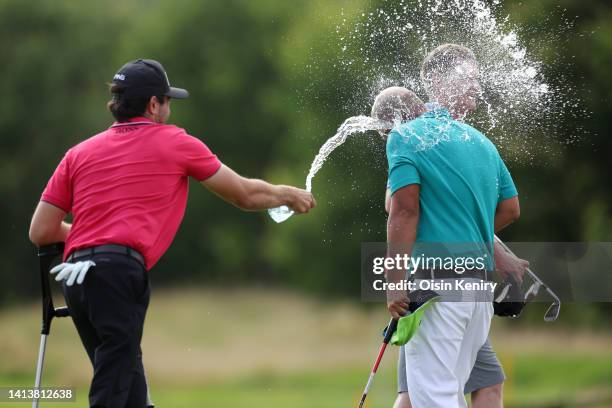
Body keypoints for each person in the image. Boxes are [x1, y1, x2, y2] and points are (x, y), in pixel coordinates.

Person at [28, 58, 315, 408]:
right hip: (117, 273)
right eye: (167, 101)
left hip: (74, 277)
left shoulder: (78, 153)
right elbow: (245, 194)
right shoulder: (175, 141)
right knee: (112, 388)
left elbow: (41, 230)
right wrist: (288, 194)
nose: (168, 109)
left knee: (129, 385)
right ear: (153, 104)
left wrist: (94, 237)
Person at [372, 86, 527, 408]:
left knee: (435, 399)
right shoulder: (477, 138)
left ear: (393, 123)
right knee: (449, 393)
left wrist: (394, 282)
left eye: (384, 132)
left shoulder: (404, 136)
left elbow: (403, 209)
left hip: (436, 289)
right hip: (478, 292)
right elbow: (510, 209)